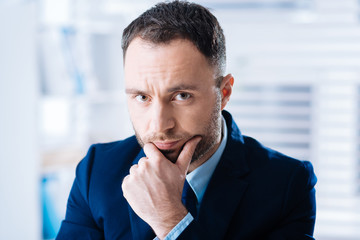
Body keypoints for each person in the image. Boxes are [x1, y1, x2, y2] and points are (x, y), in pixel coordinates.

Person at [56, 1, 317, 239]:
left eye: (181, 96)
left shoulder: (287, 185)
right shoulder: (96, 172)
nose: (159, 125)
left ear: (224, 93)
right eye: (142, 97)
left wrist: (170, 220)